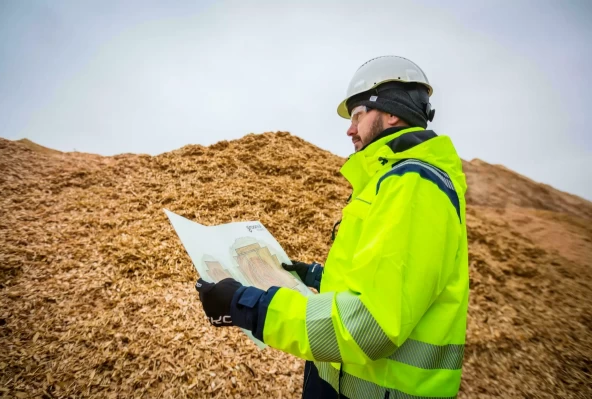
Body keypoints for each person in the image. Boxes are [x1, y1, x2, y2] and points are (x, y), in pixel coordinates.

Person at [195, 55, 469, 398]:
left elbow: (369, 326)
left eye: (357, 116)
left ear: (392, 112)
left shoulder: (413, 186)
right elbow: (384, 283)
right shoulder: (389, 182)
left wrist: (247, 304)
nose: (349, 129)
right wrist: (315, 277)